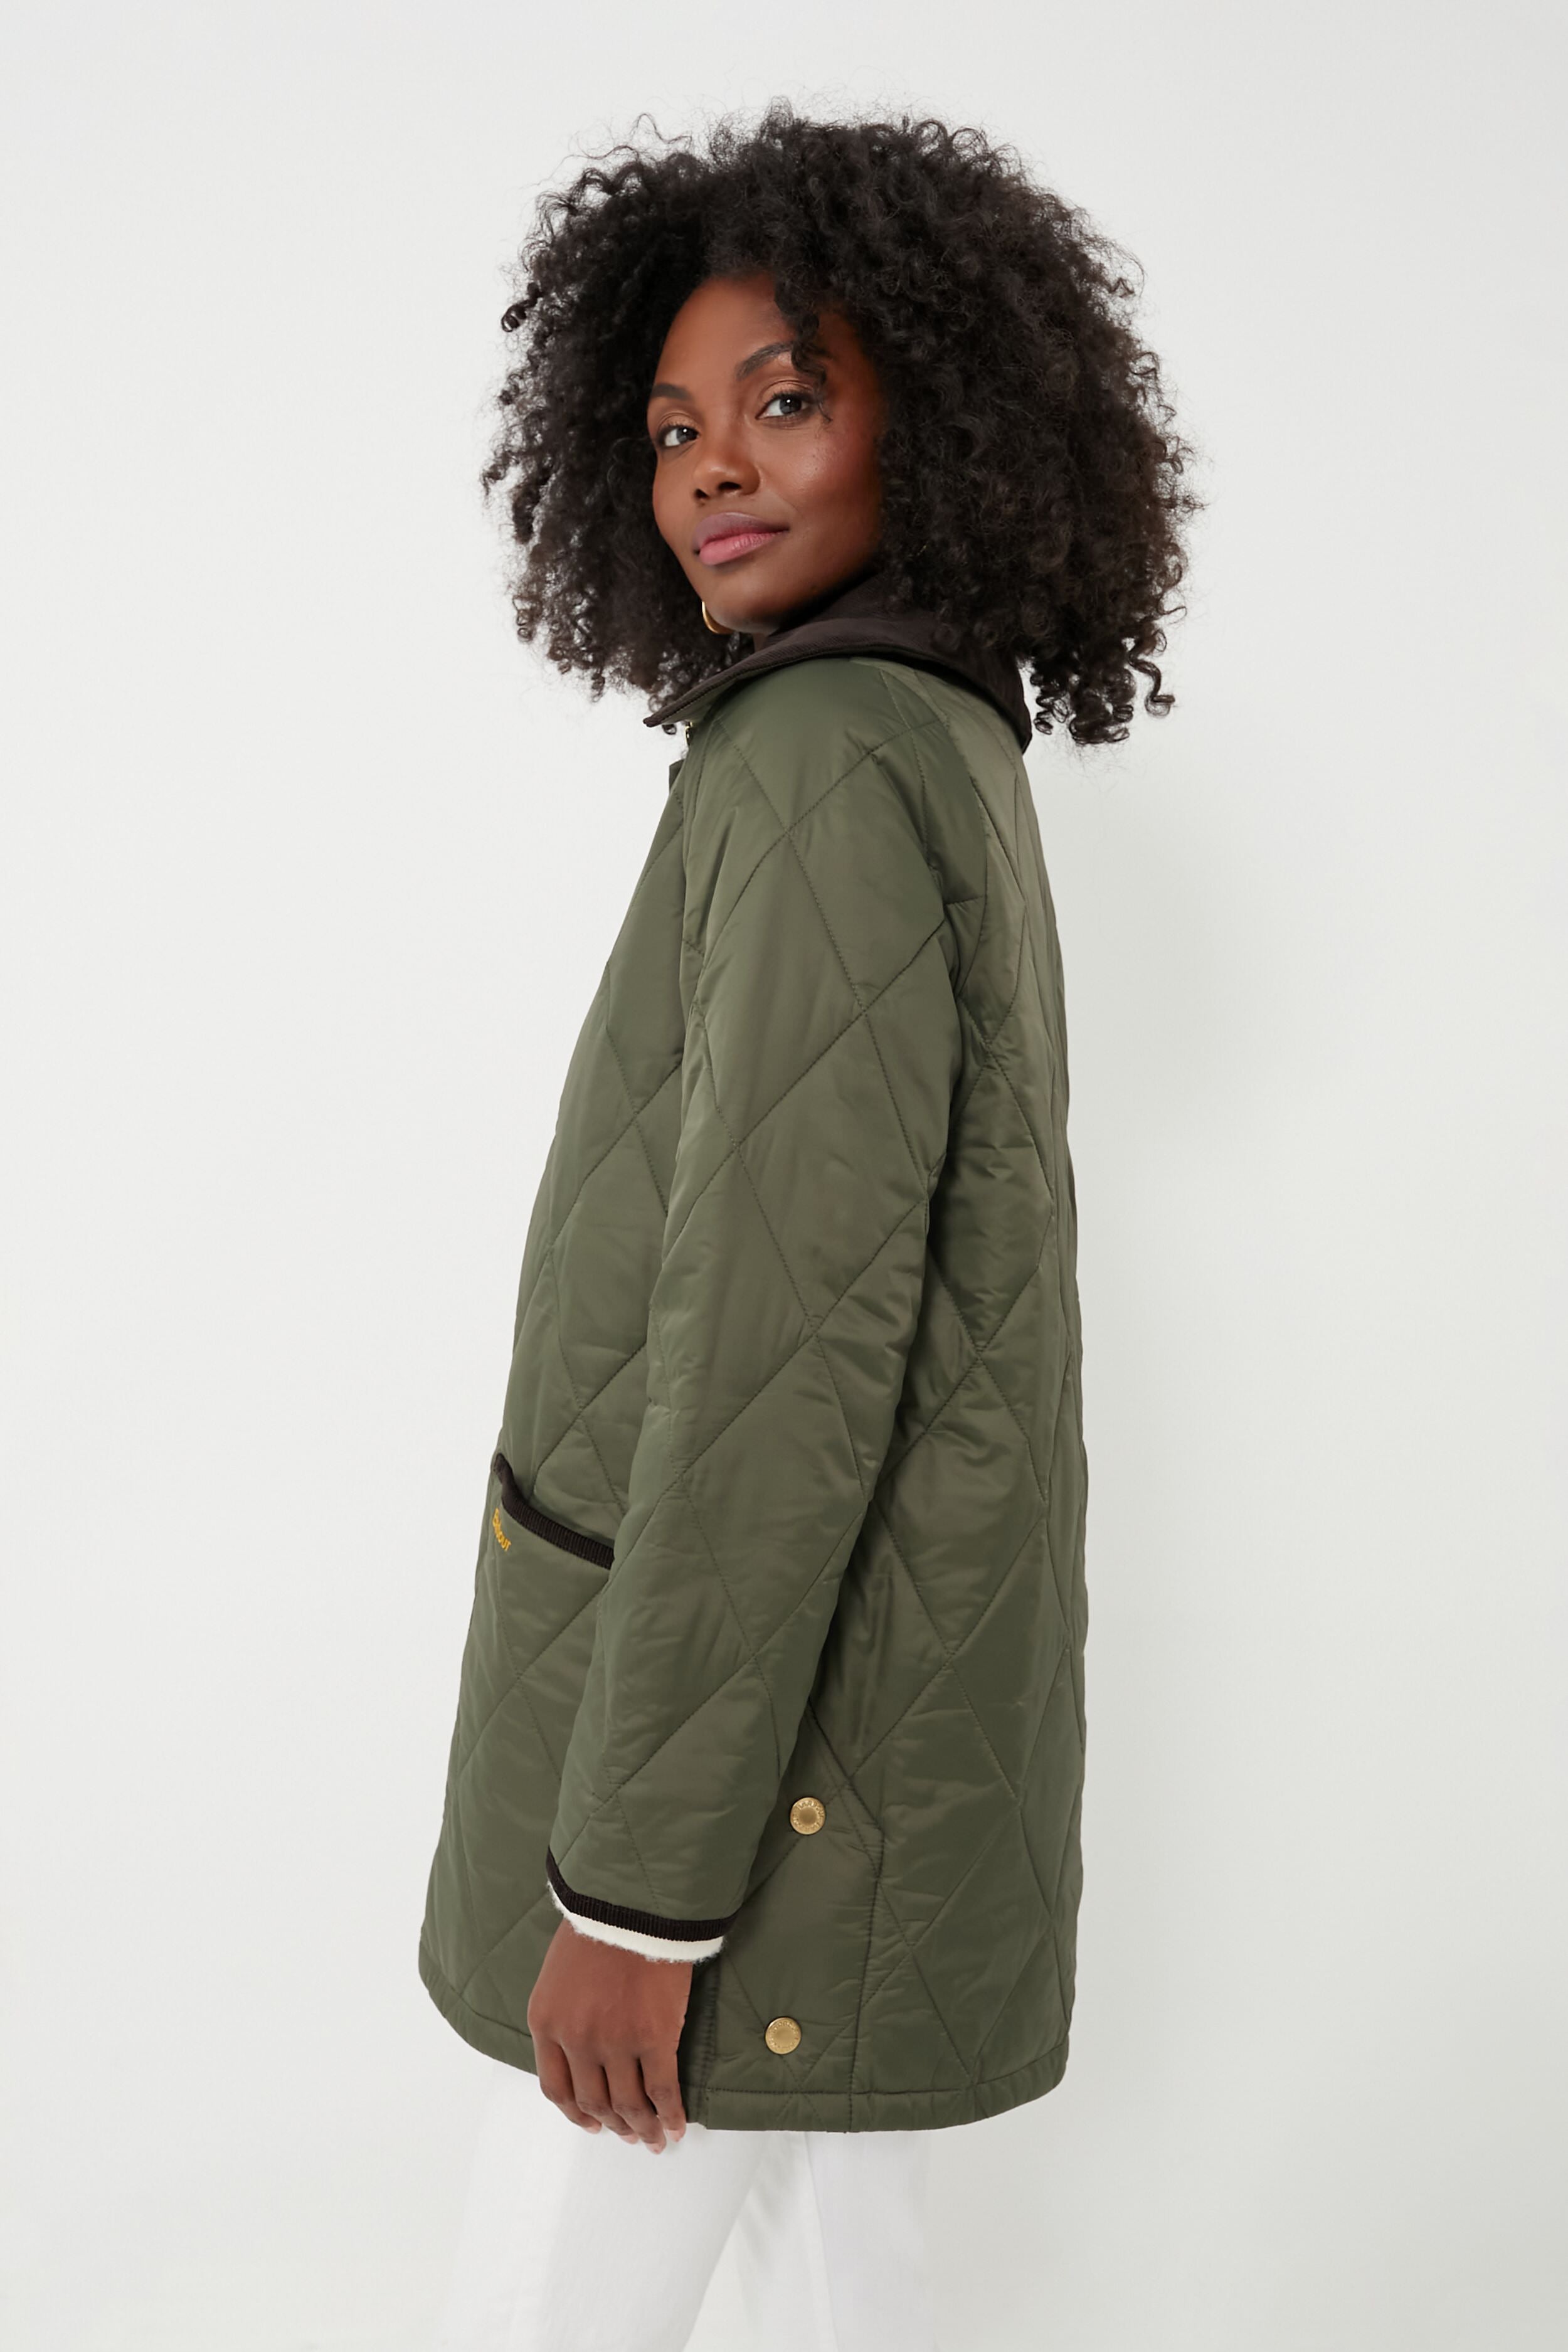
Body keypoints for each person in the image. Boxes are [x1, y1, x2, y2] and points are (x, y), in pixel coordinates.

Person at [418, 99, 1195, 2352]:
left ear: (932, 418)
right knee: (868, 2298)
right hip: (869, 1761)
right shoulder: (933, 738)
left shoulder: (823, 760)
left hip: (753, 1812)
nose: (712, 470)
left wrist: (633, 1900)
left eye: (784, 399)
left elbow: (777, 1366)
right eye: (673, 427)